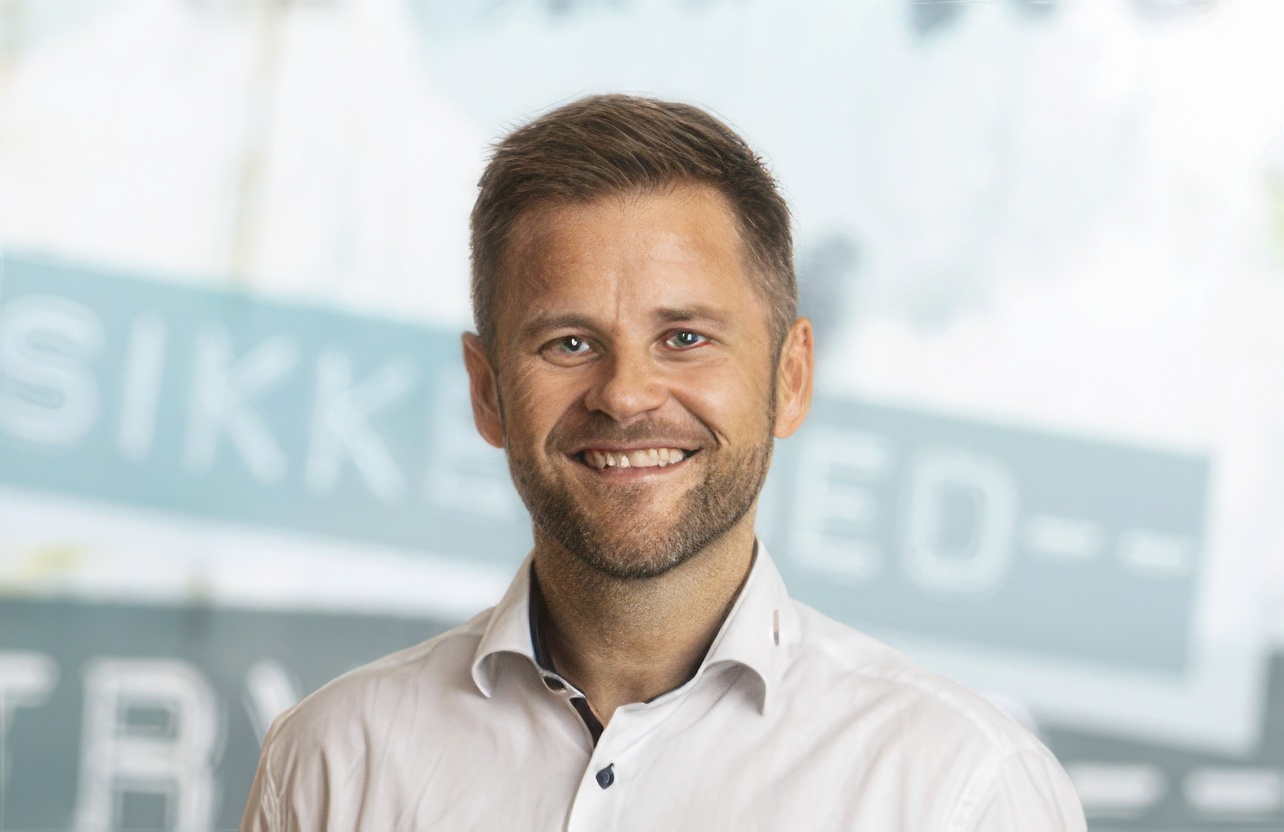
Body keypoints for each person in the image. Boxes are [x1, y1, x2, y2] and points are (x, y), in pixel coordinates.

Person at [242, 94, 1086, 831]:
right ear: (487, 391)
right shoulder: (333, 762)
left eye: (684, 337)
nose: (625, 395)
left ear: (790, 378)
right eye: (569, 343)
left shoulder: (961, 790)